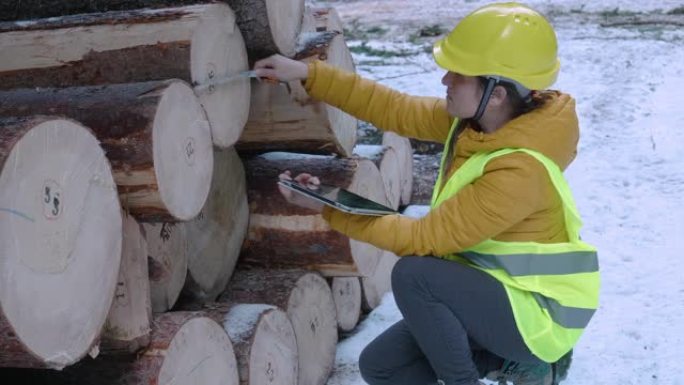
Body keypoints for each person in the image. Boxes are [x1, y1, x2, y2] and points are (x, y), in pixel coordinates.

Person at [256, 3, 600, 385]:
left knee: (415, 275)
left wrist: (333, 209)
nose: (445, 80)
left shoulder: (520, 171)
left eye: (458, 74)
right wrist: (307, 73)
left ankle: (500, 367)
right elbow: (393, 109)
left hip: (539, 314)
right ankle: (509, 363)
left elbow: (422, 241)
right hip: (494, 294)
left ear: (497, 93)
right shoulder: (478, 124)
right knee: (382, 366)